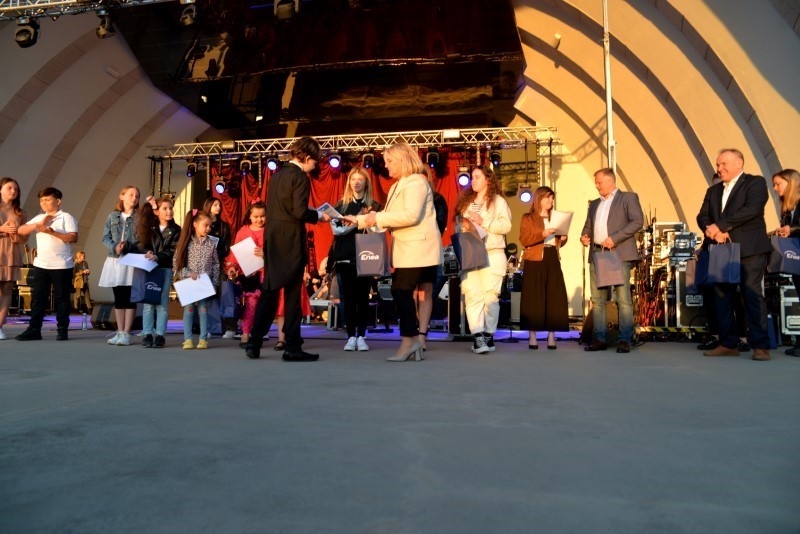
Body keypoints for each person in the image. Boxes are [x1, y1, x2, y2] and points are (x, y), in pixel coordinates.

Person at [345, 142, 442, 362]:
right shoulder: (400, 184)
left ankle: (410, 340)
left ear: (402, 160)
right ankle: (412, 340)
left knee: (400, 290)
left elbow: (411, 215)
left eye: (389, 161)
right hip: (408, 249)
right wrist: (358, 220)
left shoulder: (416, 182)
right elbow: (389, 217)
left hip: (418, 249)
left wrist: (375, 218)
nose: (386, 166)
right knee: (401, 291)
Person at [245, 136, 331, 361]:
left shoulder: (277, 176)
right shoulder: (300, 177)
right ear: (307, 157)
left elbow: (282, 209)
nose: (315, 166)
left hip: (273, 240)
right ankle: (292, 347)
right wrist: (320, 216)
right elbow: (299, 212)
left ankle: (254, 343)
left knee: (269, 293)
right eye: (315, 161)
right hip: (290, 242)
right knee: (293, 296)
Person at [697, 149, 772, 361]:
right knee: (721, 296)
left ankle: (760, 345)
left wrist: (721, 226)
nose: (719, 168)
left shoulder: (755, 183)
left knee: (751, 295)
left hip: (750, 249)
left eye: (723, 164)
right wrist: (712, 230)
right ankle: (728, 343)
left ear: (739, 163)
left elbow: (751, 209)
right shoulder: (713, 191)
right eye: (718, 165)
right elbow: (702, 216)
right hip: (721, 249)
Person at [580, 167, 644, 353]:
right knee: (598, 299)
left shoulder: (628, 198)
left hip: (618, 253)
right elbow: (588, 226)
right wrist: (585, 236)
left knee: (622, 299)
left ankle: (624, 339)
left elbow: (637, 221)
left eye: (599, 182)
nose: (597, 185)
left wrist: (614, 238)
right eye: (596, 182)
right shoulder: (594, 204)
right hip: (598, 253)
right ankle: (599, 338)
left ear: (610, 180)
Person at [454, 165, 512, 354]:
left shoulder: (498, 201)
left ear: (488, 180)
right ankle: (478, 336)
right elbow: (458, 226)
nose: (473, 180)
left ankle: (488, 334)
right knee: (473, 295)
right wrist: (463, 228)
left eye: (477, 177)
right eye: (472, 177)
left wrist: (482, 221)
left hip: (492, 253)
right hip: (471, 253)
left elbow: (506, 226)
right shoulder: (467, 203)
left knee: (490, 297)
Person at [15, 187, 78, 341]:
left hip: (62, 265)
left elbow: (73, 238)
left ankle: (62, 329)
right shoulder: (39, 218)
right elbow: (21, 230)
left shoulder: (66, 217)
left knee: (62, 299)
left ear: (58, 201)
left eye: (47, 199)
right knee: (38, 298)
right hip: (41, 264)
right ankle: (34, 329)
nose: (43, 203)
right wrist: (38, 225)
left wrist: (50, 232)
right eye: (41, 200)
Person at [329, 166, 381, 351]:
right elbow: (337, 230)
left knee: (363, 298)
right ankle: (351, 335)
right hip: (345, 257)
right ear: (349, 182)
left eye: (360, 179)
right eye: (353, 179)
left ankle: (362, 335)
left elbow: (379, 229)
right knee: (348, 298)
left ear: (366, 182)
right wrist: (357, 220)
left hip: (366, 256)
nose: (356, 182)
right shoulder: (340, 206)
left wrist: (367, 219)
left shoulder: (375, 206)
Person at [519, 186, 569, 350]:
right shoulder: (528, 218)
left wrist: (563, 238)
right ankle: (532, 335)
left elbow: (558, 242)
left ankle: (551, 335)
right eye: (548, 197)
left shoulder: (556, 218)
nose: (551, 201)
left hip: (552, 256)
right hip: (534, 258)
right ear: (539, 198)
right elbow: (524, 239)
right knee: (533, 296)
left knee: (554, 295)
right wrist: (542, 234)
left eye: (552, 198)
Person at [98, 185, 141, 346]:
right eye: (131, 194)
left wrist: (128, 246)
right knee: (118, 297)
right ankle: (120, 330)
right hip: (115, 259)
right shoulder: (113, 216)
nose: (134, 198)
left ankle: (127, 332)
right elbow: (105, 237)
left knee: (129, 297)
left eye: (137, 196)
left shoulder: (139, 217)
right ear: (122, 196)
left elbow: (142, 239)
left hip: (131, 259)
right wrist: (114, 247)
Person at [137, 196, 180, 348]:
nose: (169, 211)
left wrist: (157, 256)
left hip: (164, 269)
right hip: (149, 269)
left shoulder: (176, 230)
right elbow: (141, 244)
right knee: (148, 303)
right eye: (165, 208)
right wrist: (148, 252)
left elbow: (172, 250)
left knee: (162, 303)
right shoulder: (149, 227)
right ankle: (147, 333)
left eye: (171, 208)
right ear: (156, 211)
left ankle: (160, 335)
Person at [173, 209, 220, 350]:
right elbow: (176, 263)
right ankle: (187, 339)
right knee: (188, 310)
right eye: (205, 225)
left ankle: (203, 339)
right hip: (189, 283)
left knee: (203, 310)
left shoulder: (211, 243)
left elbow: (216, 264)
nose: (208, 228)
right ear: (195, 224)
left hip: (204, 283)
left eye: (210, 226)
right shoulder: (186, 243)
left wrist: (214, 282)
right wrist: (188, 273)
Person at [415, 166, 447, 351]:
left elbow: (440, 226)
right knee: (411, 293)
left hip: (430, 249)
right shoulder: (407, 200)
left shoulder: (438, 199)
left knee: (426, 293)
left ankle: (422, 335)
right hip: (409, 251)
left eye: (423, 178)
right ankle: (412, 332)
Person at [226, 201, 266, 349]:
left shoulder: (269, 231)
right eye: (256, 216)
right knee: (251, 304)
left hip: (265, 273)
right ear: (249, 215)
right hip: (248, 275)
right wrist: (232, 267)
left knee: (263, 306)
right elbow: (235, 255)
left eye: (262, 216)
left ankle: (258, 333)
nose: (259, 219)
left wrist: (265, 253)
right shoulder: (242, 231)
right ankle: (245, 333)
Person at [771, 169, 800, 356]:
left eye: (778, 184)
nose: (775, 188)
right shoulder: (788, 208)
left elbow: (796, 228)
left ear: (791, 183)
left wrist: (792, 229)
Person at [0, 177, 27, 340]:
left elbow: (24, 237)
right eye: (9, 188)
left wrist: (17, 234)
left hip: (11, 251)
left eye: (16, 189)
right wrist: (2, 228)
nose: (13, 191)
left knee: (7, 290)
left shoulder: (20, 213)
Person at [203, 197, 233, 337]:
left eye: (219, 205)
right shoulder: (201, 224)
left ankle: (230, 327)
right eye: (215, 205)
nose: (218, 207)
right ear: (208, 205)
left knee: (224, 294)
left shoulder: (224, 226)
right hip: (204, 265)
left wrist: (218, 251)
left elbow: (227, 246)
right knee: (209, 296)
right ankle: (212, 327)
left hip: (219, 263)